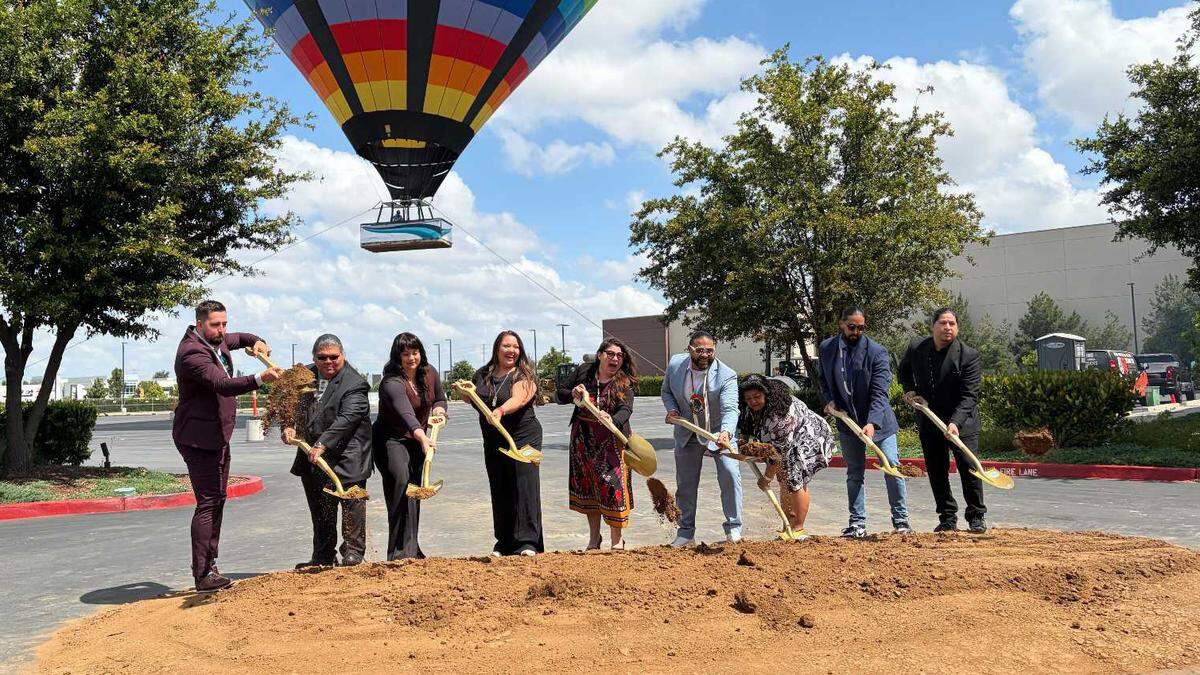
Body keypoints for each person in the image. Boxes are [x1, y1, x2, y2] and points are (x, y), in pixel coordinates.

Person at [172, 300, 281, 591]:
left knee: (218, 499)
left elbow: (243, 338)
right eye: (215, 325)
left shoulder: (216, 340)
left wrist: (259, 342)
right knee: (208, 502)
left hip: (218, 435)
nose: (222, 330)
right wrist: (261, 378)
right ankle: (203, 573)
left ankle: (210, 563)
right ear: (199, 325)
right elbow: (222, 384)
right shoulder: (192, 353)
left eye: (224, 324)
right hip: (198, 438)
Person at [817, 306, 911, 538]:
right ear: (841, 324)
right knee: (855, 472)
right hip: (849, 423)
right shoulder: (827, 348)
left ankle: (901, 522)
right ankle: (857, 523)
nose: (856, 332)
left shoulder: (877, 352)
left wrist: (872, 423)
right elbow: (824, 380)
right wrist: (830, 401)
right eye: (852, 327)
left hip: (879, 423)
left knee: (891, 467)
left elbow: (880, 393)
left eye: (861, 328)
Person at [283, 334, 372, 567]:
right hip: (312, 455)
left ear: (343, 355)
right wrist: (289, 426)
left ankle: (353, 551)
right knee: (321, 508)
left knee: (352, 504)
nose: (328, 362)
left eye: (334, 357)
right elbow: (290, 405)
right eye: (322, 358)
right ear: (314, 357)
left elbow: (347, 418)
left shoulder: (355, 383)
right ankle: (322, 555)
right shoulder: (304, 377)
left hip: (347, 454)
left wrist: (323, 443)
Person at [898, 307, 986, 533]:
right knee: (937, 471)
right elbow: (904, 371)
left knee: (969, 469)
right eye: (943, 323)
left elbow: (970, 396)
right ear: (933, 326)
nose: (948, 328)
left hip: (962, 422)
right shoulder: (917, 348)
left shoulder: (969, 356)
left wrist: (955, 423)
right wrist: (909, 390)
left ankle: (976, 516)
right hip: (929, 419)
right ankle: (947, 517)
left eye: (952, 324)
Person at [661, 330, 741, 546]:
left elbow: (731, 409)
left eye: (710, 350)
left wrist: (725, 433)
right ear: (689, 350)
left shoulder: (726, 375)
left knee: (730, 473)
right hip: (687, 432)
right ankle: (686, 533)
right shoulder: (676, 365)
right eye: (699, 350)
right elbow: (666, 392)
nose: (705, 354)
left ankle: (733, 529)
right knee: (685, 484)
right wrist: (672, 410)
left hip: (718, 432)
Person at [557, 338, 638, 550]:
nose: (615, 359)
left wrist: (613, 420)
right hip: (583, 438)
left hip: (612, 440)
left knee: (613, 488)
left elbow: (626, 409)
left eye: (619, 356)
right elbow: (560, 393)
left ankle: (616, 539)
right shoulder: (584, 372)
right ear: (600, 354)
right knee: (588, 488)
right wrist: (573, 394)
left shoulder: (624, 382)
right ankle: (594, 539)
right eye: (610, 354)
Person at [373, 333, 447, 560]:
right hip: (391, 440)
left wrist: (439, 410)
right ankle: (397, 553)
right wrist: (422, 436)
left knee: (414, 491)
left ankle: (411, 547)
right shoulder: (391, 382)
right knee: (401, 484)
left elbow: (440, 399)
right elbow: (405, 412)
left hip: (416, 441)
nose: (411, 358)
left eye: (415, 352)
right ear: (398, 357)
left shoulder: (429, 373)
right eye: (405, 354)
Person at [737, 375, 834, 540]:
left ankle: (798, 529)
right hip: (786, 440)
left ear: (766, 395)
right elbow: (747, 429)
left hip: (809, 435)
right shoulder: (750, 408)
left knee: (795, 479)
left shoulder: (779, 417)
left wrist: (767, 478)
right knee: (783, 479)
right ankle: (787, 525)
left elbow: (779, 454)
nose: (753, 401)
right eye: (749, 398)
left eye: (757, 397)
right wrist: (743, 445)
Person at [473, 331, 543, 556]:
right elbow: (475, 397)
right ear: (497, 348)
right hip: (494, 438)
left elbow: (520, 397)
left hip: (523, 436)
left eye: (515, 347)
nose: (511, 351)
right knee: (500, 486)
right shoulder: (482, 374)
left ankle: (528, 541)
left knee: (524, 485)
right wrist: (465, 393)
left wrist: (501, 410)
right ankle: (503, 541)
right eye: (506, 346)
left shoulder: (524, 374)